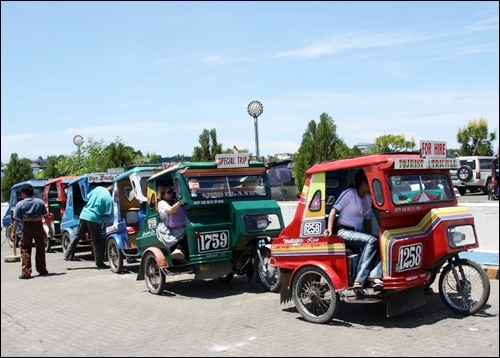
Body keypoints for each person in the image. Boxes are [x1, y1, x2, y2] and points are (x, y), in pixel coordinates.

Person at [324, 169, 383, 290]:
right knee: (372, 240)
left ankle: (373, 276)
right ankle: (359, 280)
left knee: (378, 241)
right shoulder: (350, 193)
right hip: (344, 231)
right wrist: (329, 229)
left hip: (357, 233)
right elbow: (334, 211)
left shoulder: (368, 198)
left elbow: (367, 220)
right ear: (363, 183)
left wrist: (368, 234)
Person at [64, 185, 113, 269]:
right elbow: (109, 213)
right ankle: (99, 263)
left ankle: (67, 254)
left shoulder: (97, 188)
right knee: (97, 241)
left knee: (77, 236)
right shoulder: (108, 197)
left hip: (84, 214)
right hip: (94, 218)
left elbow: (87, 197)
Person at [11, 184, 54, 279]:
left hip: (27, 227)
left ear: (23, 193)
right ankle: (42, 269)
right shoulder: (39, 202)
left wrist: (13, 232)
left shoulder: (20, 204)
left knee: (25, 249)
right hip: (38, 225)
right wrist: (50, 229)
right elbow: (46, 216)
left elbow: (16, 220)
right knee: (40, 247)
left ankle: (26, 272)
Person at [157, 184, 189, 261]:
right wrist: (179, 203)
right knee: (187, 231)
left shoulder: (173, 201)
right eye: (169, 192)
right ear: (162, 194)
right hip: (168, 228)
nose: (172, 193)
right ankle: (178, 249)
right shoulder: (161, 203)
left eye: (172, 191)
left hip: (177, 225)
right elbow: (171, 211)